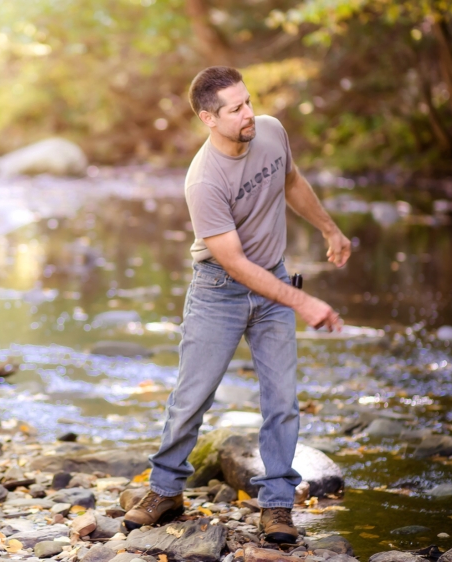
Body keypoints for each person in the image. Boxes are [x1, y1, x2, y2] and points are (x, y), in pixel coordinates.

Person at [122, 67, 351, 544]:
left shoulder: (269, 130)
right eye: (236, 108)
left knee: (282, 402)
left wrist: (329, 228)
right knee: (191, 398)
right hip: (218, 291)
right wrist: (304, 301)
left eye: (248, 102)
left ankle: (277, 505)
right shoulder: (203, 181)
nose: (250, 113)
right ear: (208, 118)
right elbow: (236, 263)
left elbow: (291, 181)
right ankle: (164, 492)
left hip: (273, 288)